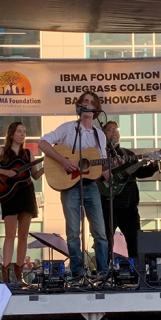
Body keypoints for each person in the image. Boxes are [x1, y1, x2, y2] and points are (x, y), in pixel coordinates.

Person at [38, 91, 109, 278]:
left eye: (91, 102)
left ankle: (103, 271)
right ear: (79, 106)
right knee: (72, 232)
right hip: (69, 185)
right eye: (84, 101)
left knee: (100, 232)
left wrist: (109, 171)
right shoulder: (68, 128)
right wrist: (63, 161)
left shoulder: (99, 135)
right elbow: (43, 143)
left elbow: (99, 163)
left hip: (91, 185)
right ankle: (77, 272)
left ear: (96, 109)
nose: (87, 104)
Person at [0, 121, 43, 284]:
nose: (22, 134)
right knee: (9, 235)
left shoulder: (28, 154)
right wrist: (5, 171)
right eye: (19, 131)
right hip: (9, 195)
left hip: (26, 194)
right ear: (12, 133)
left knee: (23, 236)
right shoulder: (2, 151)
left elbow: (35, 175)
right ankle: (6, 271)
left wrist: (47, 167)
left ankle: (19, 273)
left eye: (24, 131)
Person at [100, 121, 158, 259]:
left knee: (134, 240)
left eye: (117, 129)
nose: (114, 131)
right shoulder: (99, 154)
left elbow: (141, 172)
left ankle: (137, 271)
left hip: (129, 205)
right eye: (110, 129)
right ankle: (105, 271)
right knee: (105, 241)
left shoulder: (128, 154)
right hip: (107, 206)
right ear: (103, 134)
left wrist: (154, 163)